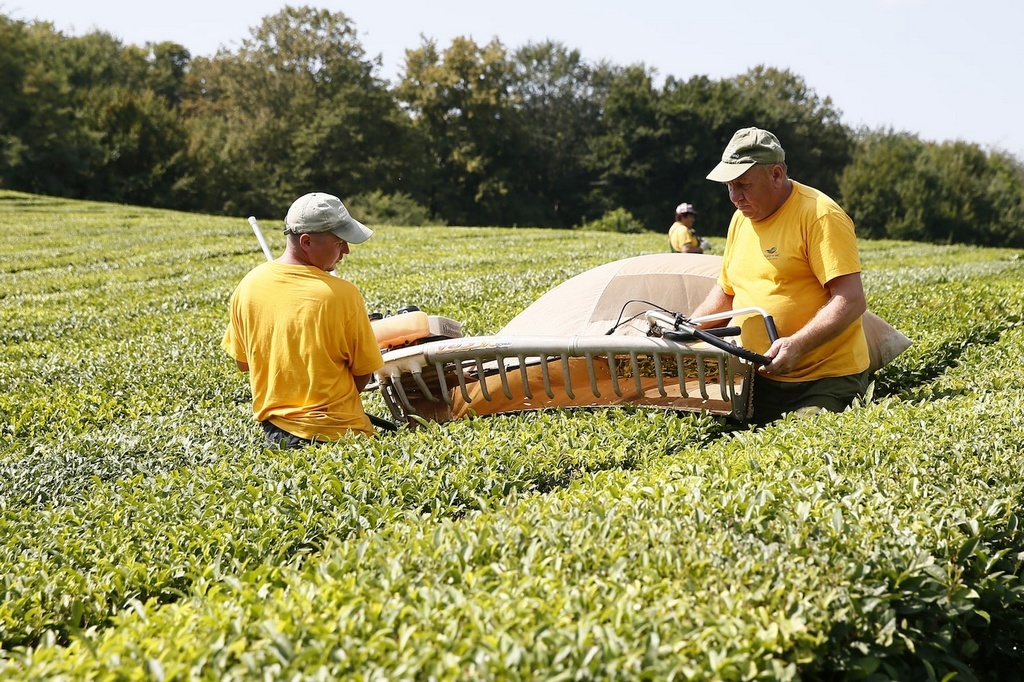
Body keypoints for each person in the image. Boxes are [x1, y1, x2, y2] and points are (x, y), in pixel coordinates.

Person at [689, 127, 870, 424]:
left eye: (743, 185)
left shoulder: (819, 215)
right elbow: (727, 291)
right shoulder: (741, 219)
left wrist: (797, 345)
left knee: (800, 446)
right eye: (729, 187)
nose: (735, 197)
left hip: (823, 380)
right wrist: (689, 330)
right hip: (759, 377)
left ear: (775, 174)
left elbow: (850, 300)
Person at [222, 192, 385, 448]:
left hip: (276, 436)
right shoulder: (343, 294)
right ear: (307, 242)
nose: (347, 250)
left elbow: (244, 363)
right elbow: (363, 372)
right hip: (340, 433)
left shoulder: (248, 286)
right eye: (340, 242)